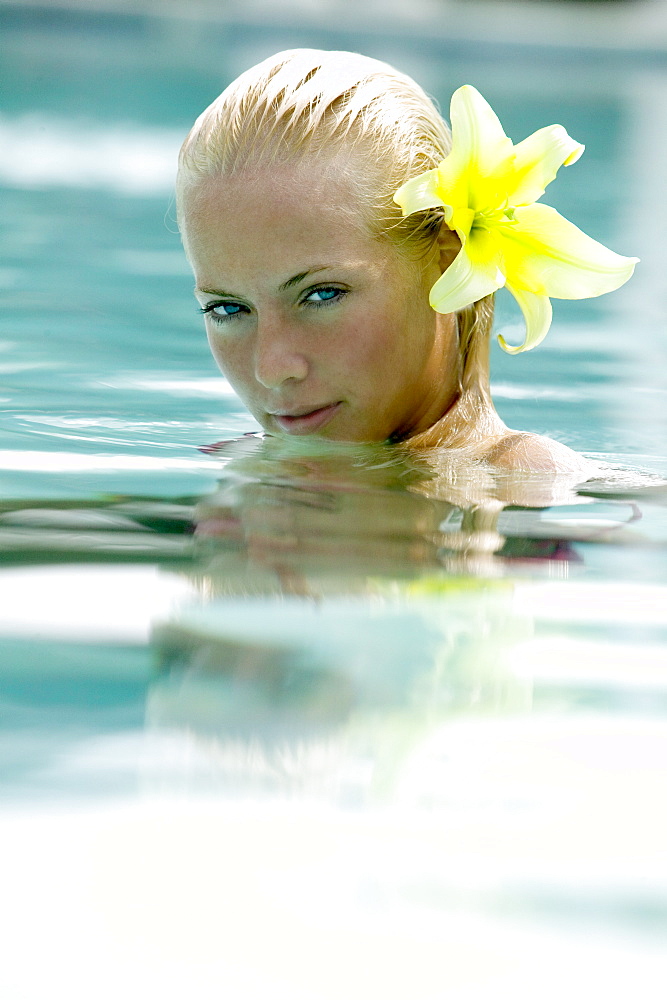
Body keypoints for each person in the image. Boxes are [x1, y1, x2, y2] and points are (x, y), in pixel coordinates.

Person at [176, 49, 636, 477]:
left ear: (448, 260)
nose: (272, 368)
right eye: (227, 309)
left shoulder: (526, 487)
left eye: (322, 295)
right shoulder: (239, 469)